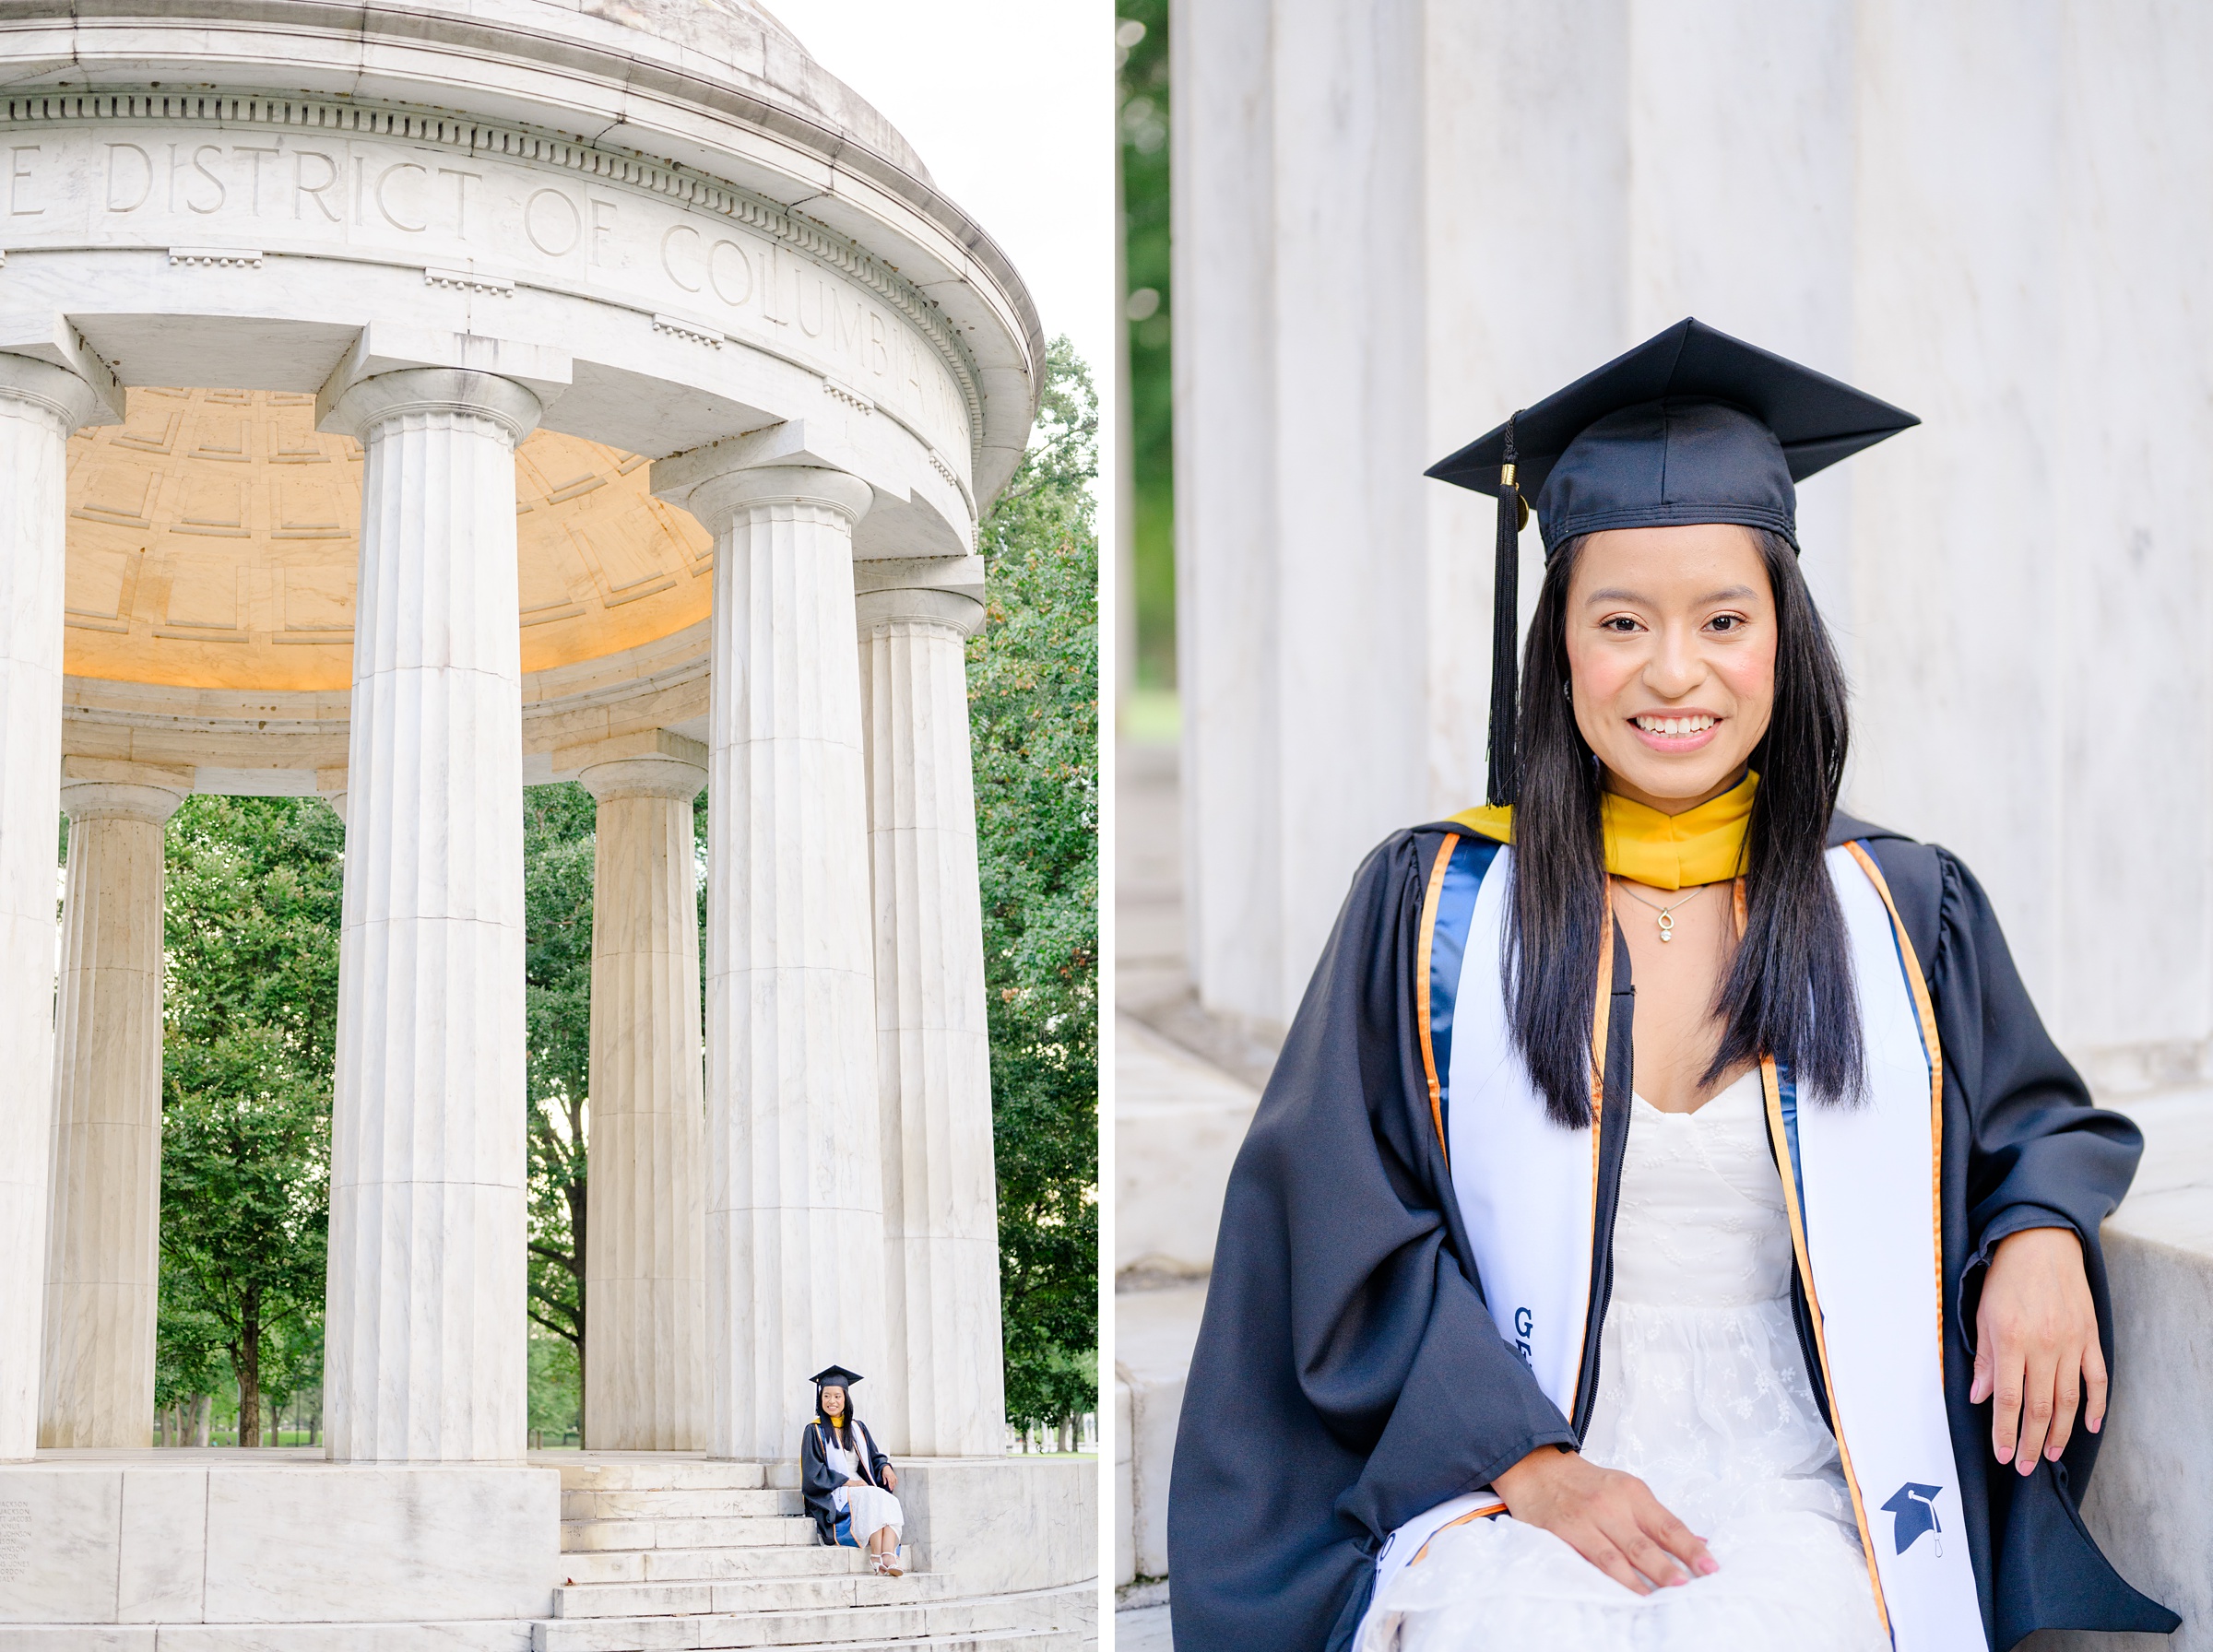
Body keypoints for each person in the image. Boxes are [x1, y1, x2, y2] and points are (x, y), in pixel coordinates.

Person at [1166, 320, 2181, 1652]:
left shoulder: (1893, 904)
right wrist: (1525, 1464)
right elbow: (1337, 1222)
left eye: (1723, 619)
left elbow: (2032, 1120)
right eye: (1621, 622)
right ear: (1561, 650)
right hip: (1509, 1460)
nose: (1673, 670)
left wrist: (2043, 1232)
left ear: (1784, 638)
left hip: (1803, 1458)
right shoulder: (1436, 906)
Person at [799, 1363, 905, 1575]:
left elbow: (875, 1456)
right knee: (871, 1495)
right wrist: (848, 1482)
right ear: (820, 1400)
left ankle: (887, 1555)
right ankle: (877, 1554)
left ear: (845, 1399)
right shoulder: (814, 1430)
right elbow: (813, 1473)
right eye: (826, 1396)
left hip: (860, 1486)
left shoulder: (857, 1428)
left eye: (837, 1396)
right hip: (835, 1489)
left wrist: (885, 1467)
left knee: (888, 1499)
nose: (832, 1401)